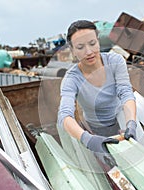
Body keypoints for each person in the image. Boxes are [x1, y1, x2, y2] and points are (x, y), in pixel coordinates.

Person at [57, 20, 137, 166]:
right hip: (96, 128)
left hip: (121, 118)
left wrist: (131, 122)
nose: (89, 52)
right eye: (80, 47)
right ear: (73, 50)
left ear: (98, 41)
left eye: (92, 43)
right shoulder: (71, 79)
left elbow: (126, 93)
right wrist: (87, 138)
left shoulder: (116, 61)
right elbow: (64, 115)